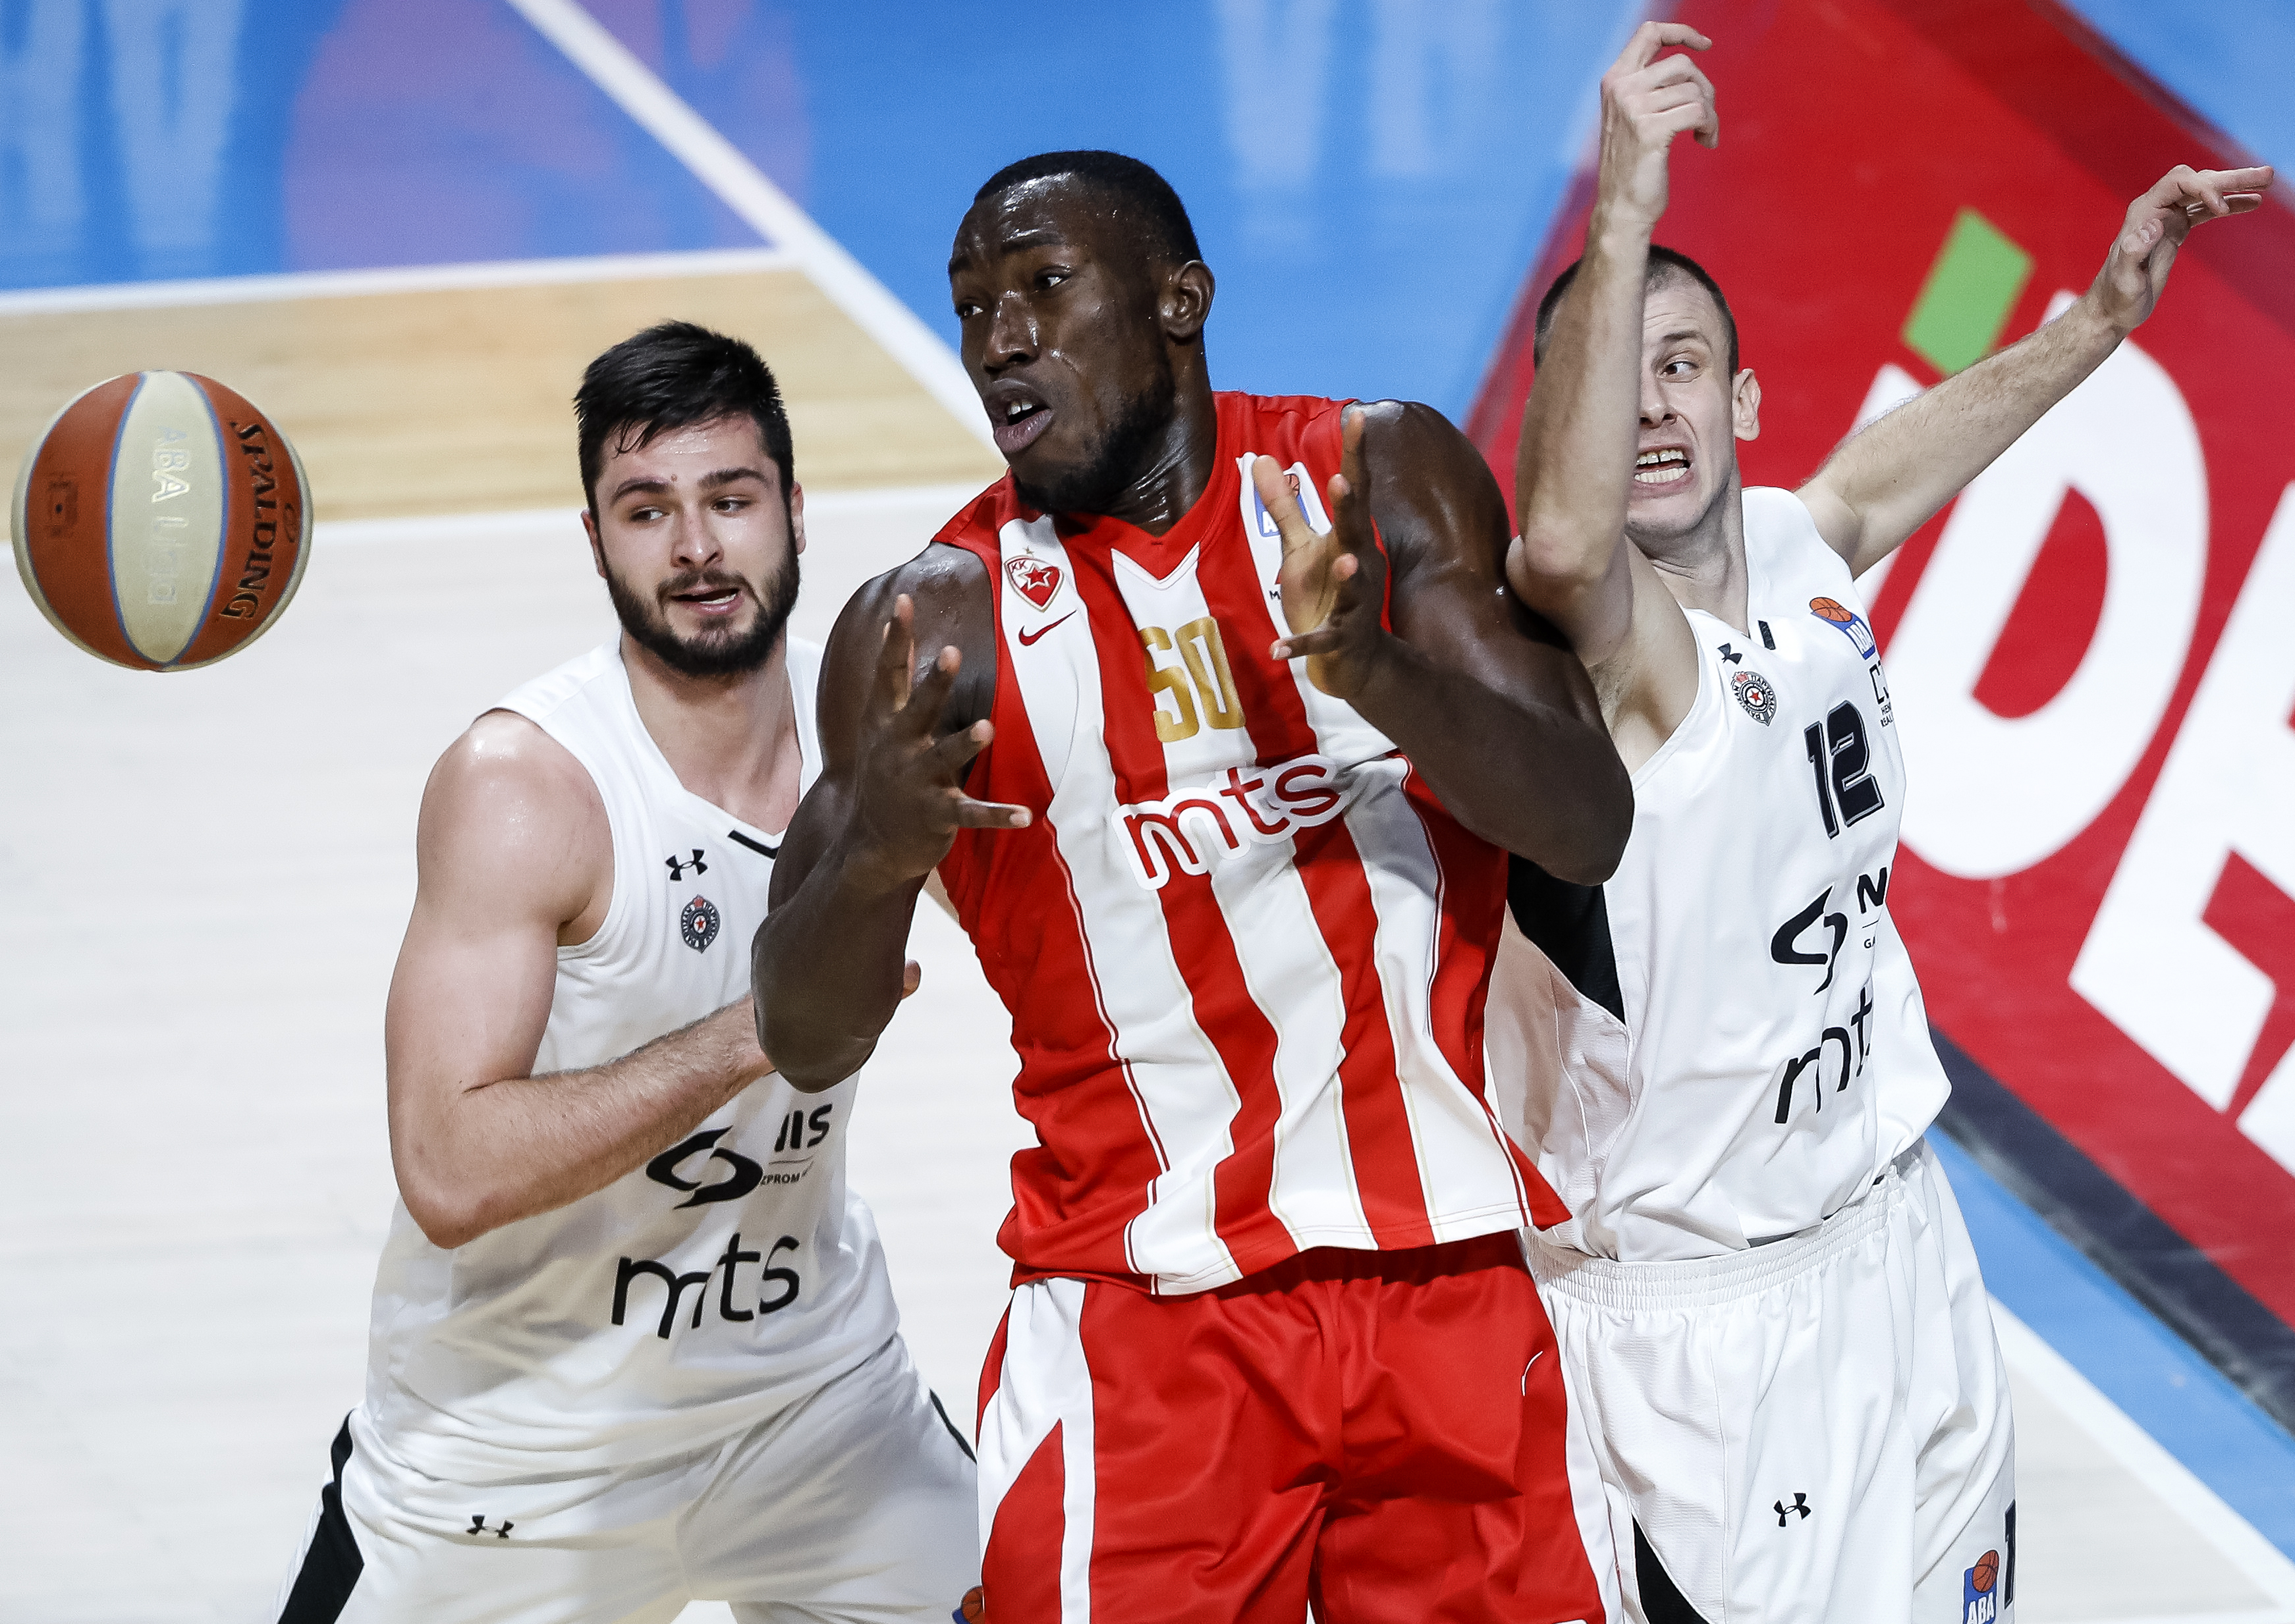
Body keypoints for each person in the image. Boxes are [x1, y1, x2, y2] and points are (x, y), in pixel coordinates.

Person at [754, 149, 1637, 1623]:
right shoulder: (931, 624)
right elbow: (801, 1035)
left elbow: (1582, 819)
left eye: (1042, 287)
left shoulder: (1368, 476)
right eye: (973, 307)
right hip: (1144, 1324)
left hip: (1451, 1289)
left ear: (1179, 301)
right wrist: (879, 853)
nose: (999, 338)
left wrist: (1365, 669)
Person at [1491, 22, 2274, 1623]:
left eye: (1682, 365)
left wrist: (2100, 323)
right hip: (1707, 1338)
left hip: (1897, 1244)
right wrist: (1621, 208)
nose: (1649, 406)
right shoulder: (1609, 662)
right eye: (1610, 371)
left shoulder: (1785, 550)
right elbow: (1566, 548)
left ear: (1744, 399)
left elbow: (1872, 483)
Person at [273, 321, 977, 1623]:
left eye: (730, 498)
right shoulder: (526, 786)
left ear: (795, 510)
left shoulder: (876, 745)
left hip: (812, 1410)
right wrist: (762, 1025)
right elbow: (448, 1168)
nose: (697, 546)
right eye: (647, 510)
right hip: (521, 1448)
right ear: (594, 539)